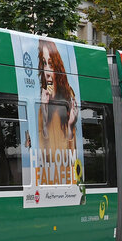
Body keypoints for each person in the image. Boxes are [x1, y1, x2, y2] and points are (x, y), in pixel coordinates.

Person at [36, 39, 78, 185]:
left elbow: (72, 158)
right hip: (49, 180)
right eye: (44, 63)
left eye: (51, 64)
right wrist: (45, 112)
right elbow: (43, 154)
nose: (47, 72)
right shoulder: (42, 103)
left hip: (66, 181)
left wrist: (71, 127)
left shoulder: (68, 96)